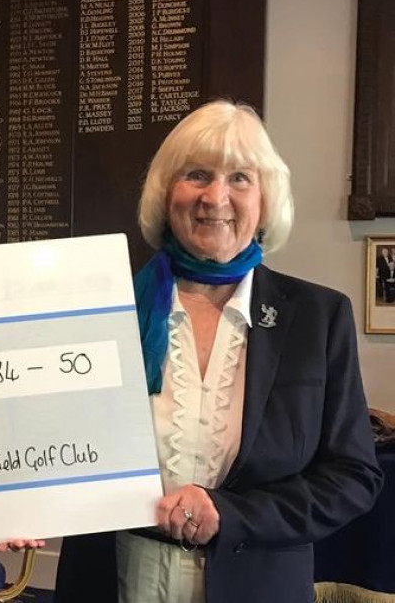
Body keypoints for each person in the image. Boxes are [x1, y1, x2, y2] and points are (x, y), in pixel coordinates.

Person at [54, 100, 382, 603]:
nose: (216, 197)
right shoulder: (103, 309)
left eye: (240, 178)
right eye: (198, 175)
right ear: (167, 195)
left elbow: (352, 477)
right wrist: (23, 503)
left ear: (266, 200)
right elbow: (58, 439)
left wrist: (230, 514)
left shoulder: (318, 318)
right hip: (115, 581)